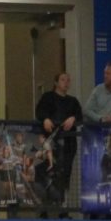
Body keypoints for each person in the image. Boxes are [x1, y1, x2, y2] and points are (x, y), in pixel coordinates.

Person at [34, 72, 82, 203]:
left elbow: (80, 115)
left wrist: (73, 118)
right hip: (51, 144)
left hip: (68, 144)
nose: (66, 82)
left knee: (64, 174)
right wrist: (45, 119)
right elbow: (39, 111)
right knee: (48, 172)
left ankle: (63, 209)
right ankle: (44, 210)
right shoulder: (47, 97)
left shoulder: (73, 101)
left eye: (68, 80)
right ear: (56, 82)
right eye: (63, 80)